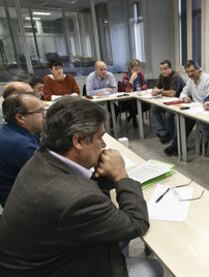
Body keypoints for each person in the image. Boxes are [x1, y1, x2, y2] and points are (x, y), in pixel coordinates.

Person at [0, 97, 163, 276]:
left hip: (39, 261)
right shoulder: (77, 199)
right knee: (152, 269)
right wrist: (120, 174)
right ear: (77, 141)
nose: (103, 144)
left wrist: (103, 174)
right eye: (100, 137)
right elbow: (136, 224)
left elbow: (81, 182)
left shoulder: (41, 158)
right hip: (60, 269)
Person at [163, 60, 209, 156]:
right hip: (195, 110)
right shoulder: (190, 80)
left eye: (192, 71)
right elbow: (183, 93)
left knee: (186, 120)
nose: (190, 74)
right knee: (182, 119)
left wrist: (199, 105)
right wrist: (185, 97)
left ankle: (176, 146)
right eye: (187, 72)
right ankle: (178, 146)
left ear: (199, 69)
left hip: (207, 110)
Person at [0, 93, 45, 206]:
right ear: (20, 118)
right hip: (25, 206)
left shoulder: (8, 130)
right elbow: (51, 176)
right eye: (40, 111)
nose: (45, 115)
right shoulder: (21, 145)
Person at [151, 60, 186, 144]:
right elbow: (156, 87)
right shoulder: (161, 76)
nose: (163, 71)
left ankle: (170, 135)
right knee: (154, 109)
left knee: (169, 114)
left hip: (180, 101)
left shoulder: (175, 76)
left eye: (165, 68)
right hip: (168, 101)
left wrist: (160, 91)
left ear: (170, 68)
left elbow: (172, 93)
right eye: (161, 69)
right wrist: (155, 90)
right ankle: (163, 132)